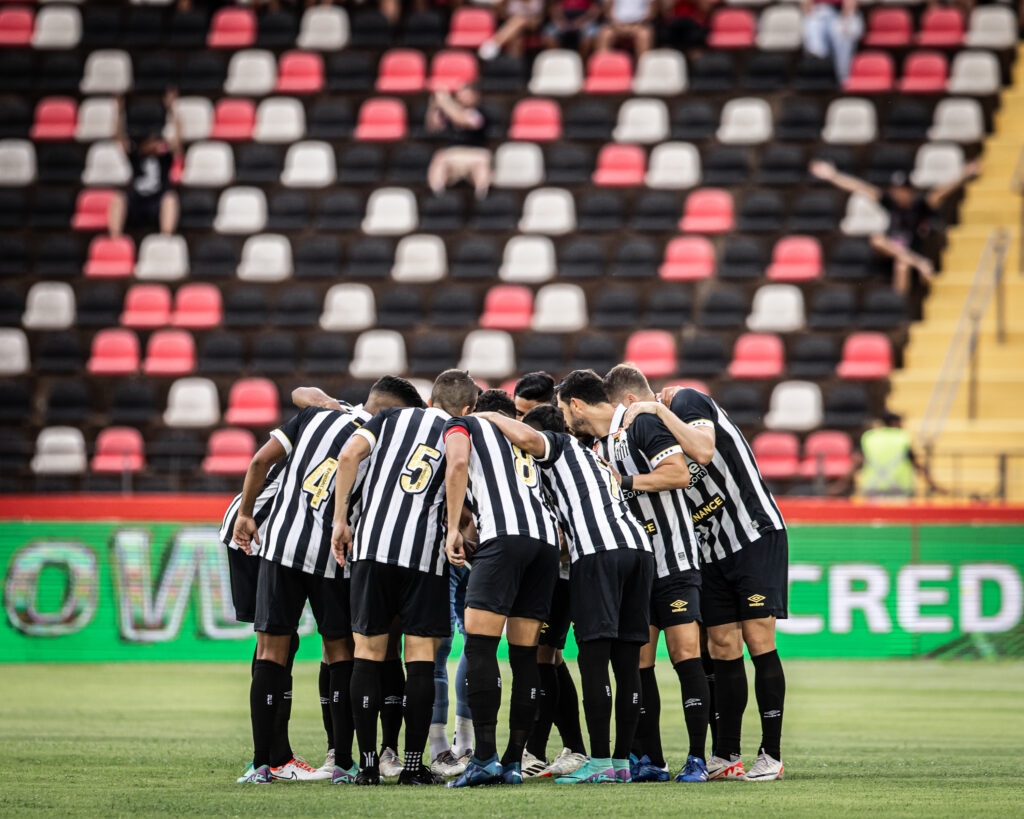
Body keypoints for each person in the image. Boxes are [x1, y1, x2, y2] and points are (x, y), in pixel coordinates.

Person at [231, 377, 422, 785]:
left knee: (270, 650)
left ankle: (261, 765)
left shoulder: (315, 416)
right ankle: (342, 763)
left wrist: (247, 513)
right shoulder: (383, 441)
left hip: (280, 544)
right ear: (393, 412)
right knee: (340, 651)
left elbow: (259, 462)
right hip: (335, 554)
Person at [478, 404, 655, 784]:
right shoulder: (591, 459)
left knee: (594, 657)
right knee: (628, 662)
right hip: (639, 550)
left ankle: (600, 762)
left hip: (598, 553)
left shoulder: (558, 446)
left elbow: (528, 438)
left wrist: (491, 417)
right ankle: (621, 763)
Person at [623, 381, 790, 781]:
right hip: (710, 549)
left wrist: (659, 410)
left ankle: (771, 752)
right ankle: (726, 754)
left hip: (752, 533)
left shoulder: (684, 400)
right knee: (720, 645)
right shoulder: (642, 439)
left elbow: (703, 450)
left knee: (758, 639)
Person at [556, 368, 710, 784]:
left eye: (564, 412)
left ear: (576, 405)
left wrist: (624, 480)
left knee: (684, 653)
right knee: (638, 663)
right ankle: (650, 758)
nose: (566, 423)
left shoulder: (639, 423)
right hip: (636, 567)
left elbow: (678, 473)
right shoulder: (596, 447)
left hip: (673, 559)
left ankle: (698, 758)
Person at [330, 369, 479, 786]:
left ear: (430, 399)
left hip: (371, 551)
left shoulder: (388, 418)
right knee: (419, 660)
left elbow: (346, 457)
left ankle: (367, 767)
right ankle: (413, 767)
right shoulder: (459, 429)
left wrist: (341, 521)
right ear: (468, 409)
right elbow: (458, 469)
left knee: (368, 655)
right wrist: (452, 528)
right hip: (423, 559)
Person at [220, 386, 353, 783]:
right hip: (259, 534)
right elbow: (301, 391)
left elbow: (301, 393)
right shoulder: (356, 426)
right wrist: (328, 402)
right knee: (285, 645)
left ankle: (277, 757)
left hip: (270, 533)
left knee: (278, 644)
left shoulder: (319, 422)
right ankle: (283, 756)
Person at [443, 387, 561, 787]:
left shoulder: (467, 423)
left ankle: (485, 758)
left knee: (479, 646)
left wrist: (451, 528)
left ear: (477, 410)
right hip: (546, 545)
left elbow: (457, 463)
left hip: (504, 540)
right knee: (525, 656)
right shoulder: (524, 439)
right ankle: (512, 761)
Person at [510, 373, 589, 779]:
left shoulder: (557, 461)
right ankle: (562, 748)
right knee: (550, 658)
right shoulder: (571, 456)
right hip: (562, 573)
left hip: (563, 572)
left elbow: (563, 535)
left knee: (544, 656)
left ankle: (542, 750)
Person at [810, 159, 981, 293]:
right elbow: (859, 187)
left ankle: (900, 306)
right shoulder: (890, 204)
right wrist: (833, 175)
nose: (898, 193)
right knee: (878, 240)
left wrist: (964, 173)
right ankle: (919, 263)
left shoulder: (920, 206)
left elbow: (941, 192)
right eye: (896, 189)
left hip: (909, 256)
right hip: (890, 254)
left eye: (902, 189)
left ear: (909, 191)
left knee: (903, 263)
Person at [108, 89, 182, 239]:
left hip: (158, 199)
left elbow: (178, 139)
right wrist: (119, 110)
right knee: (118, 198)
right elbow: (117, 137)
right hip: (137, 200)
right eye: (150, 141)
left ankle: (165, 240)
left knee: (170, 199)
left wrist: (172, 108)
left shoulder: (165, 155)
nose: (153, 144)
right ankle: (114, 242)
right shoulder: (136, 154)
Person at [425, 84, 492, 200]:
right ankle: (437, 196)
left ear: (475, 96)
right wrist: (434, 106)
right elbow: (433, 127)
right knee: (439, 158)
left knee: (483, 161)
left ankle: (482, 198)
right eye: (460, 94)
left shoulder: (479, 112)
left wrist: (445, 101)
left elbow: (462, 119)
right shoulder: (448, 112)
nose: (462, 97)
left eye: (466, 94)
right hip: (453, 153)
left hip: (475, 152)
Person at [855, 411, 942, 498]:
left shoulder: (869, 437)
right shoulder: (903, 437)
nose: (902, 425)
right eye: (901, 423)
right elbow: (915, 463)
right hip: (900, 488)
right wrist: (932, 483)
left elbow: (858, 461)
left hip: (873, 487)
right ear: (894, 423)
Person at [801, 0, 864, 84]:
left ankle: (843, 78)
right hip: (820, 12)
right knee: (813, 29)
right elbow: (806, 5)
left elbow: (850, 4)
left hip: (841, 14)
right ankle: (820, 67)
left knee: (842, 38)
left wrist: (845, 18)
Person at [478, 0, 547, 59]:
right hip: (513, 25)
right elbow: (499, 11)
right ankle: (514, 65)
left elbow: (541, 18)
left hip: (534, 26)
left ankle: (495, 43)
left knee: (520, 20)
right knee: (517, 38)